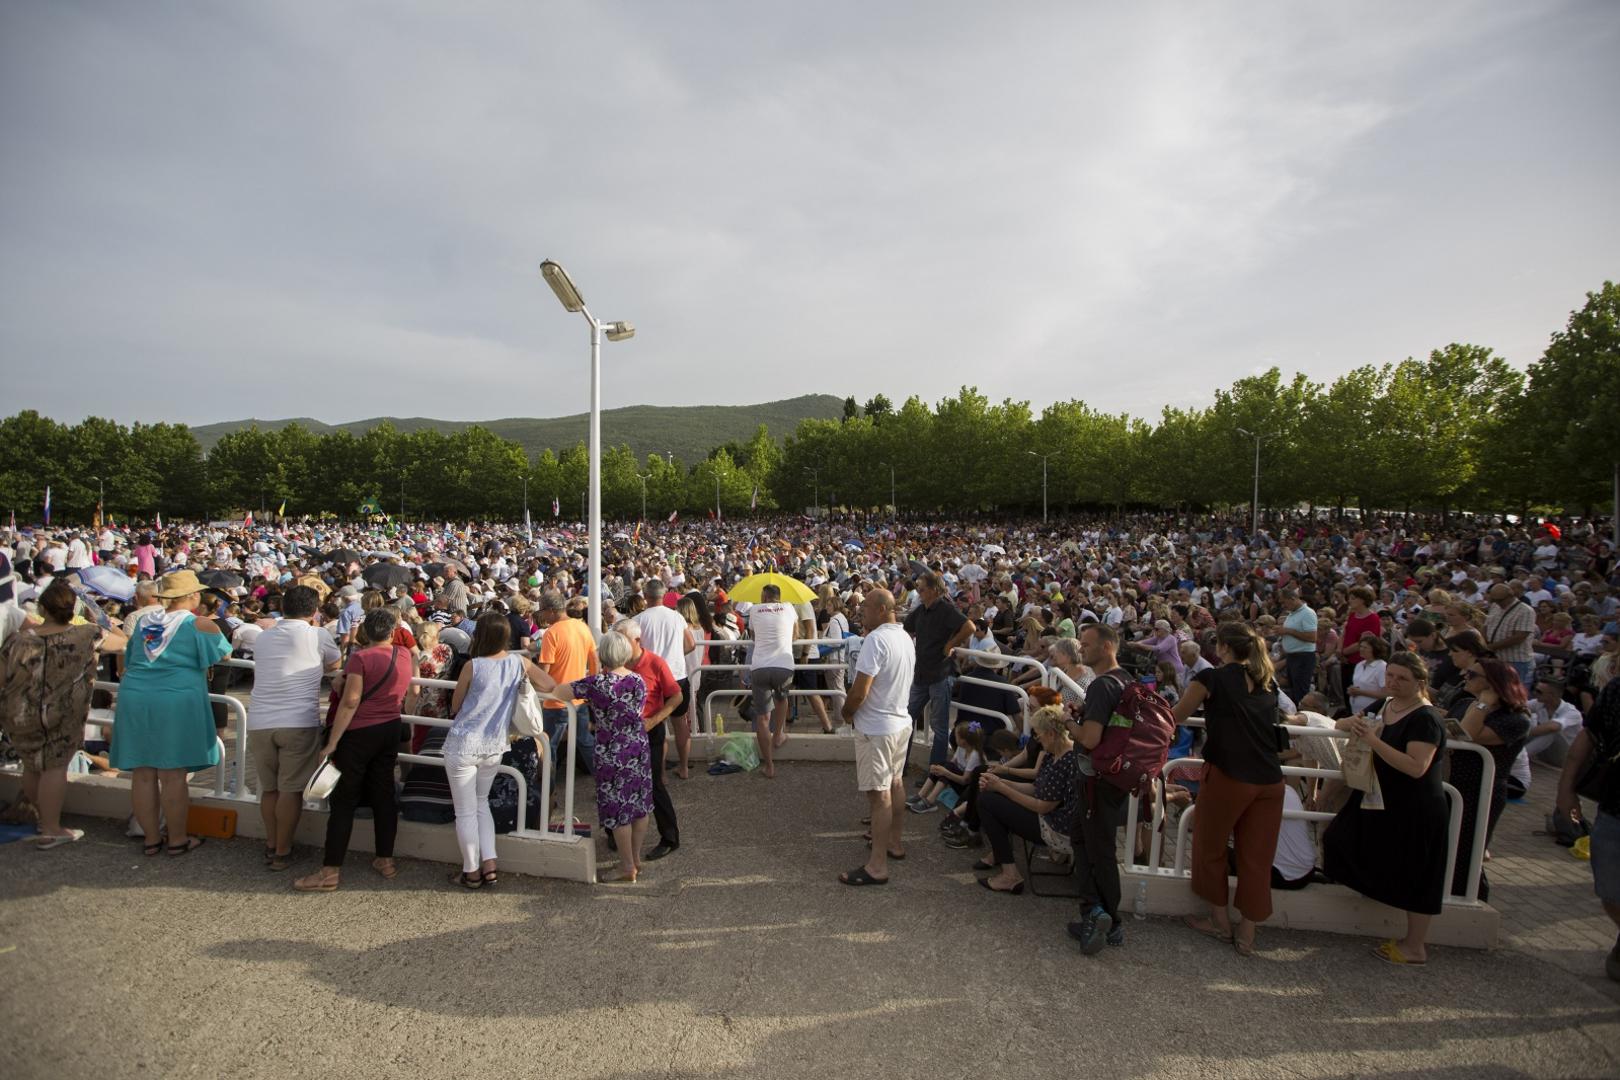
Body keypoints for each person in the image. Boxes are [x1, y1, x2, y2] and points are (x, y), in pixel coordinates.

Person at [1322, 652, 1449, 965]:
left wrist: (1372, 740)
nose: (1393, 682)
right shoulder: (1386, 705)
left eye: (1401, 678)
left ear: (1419, 683)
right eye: (1390, 676)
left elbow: (1416, 766)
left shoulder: (1425, 718)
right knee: (1339, 838)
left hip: (1415, 804)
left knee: (1419, 873)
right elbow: (1348, 722)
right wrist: (1351, 723)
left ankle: (1415, 945)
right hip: (1380, 797)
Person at [1172, 622, 1284, 956]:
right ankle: (1247, 934)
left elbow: (1177, 715)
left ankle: (1220, 923)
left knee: (1210, 846)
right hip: (1270, 779)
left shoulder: (1211, 679)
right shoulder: (1268, 680)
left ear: (1221, 648)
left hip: (1229, 775)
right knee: (1257, 857)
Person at [110, 569, 232, 857]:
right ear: (191, 596)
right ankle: (177, 839)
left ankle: (151, 839)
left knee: (142, 773)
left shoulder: (143, 622)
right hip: (175, 700)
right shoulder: (200, 624)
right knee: (172, 774)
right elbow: (223, 654)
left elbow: (130, 659)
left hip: (135, 698)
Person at [0, 579, 127, 847]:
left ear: (42, 609)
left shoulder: (17, 641)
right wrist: (96, 616)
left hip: (20, 713)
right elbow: (122, 641)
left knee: (32, 766)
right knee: (54, 768)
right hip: (62, 713)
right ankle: (50, 827)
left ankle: (40, 818)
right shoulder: (87, 634)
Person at [294, 608, 413, 892]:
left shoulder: (361, 658)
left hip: (360, 732)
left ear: (365, 633)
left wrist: (332, 742)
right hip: (391, 727)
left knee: (344, 801)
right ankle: (385, 860)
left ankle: (330, 870)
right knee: (384, 794)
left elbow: (351, 702)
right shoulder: (405, 654)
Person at [442, 612, 555, 888]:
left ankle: (471, 871)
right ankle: (490, 864)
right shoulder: (519, 663)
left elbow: (456, 705)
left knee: (465, 811)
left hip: (465, 742)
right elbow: (550, 684)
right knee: (481, 805)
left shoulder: (473, 665)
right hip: (494, 744)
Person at [245, 585, 340, 871]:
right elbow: (335, 662)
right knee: (290, 790)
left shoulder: (263, 636)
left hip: (260, 720)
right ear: (314, 611)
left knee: (269, 790)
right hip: (297, 721)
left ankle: (271, 843)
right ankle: (282, 851)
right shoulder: (318, 634)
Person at [552, 626, 652, 882]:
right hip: (638, 745)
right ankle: (636, 859)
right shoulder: (638, 680)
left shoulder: (597, 684)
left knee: (619, 811)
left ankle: (626, 865)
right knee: (639, 805)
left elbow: (559, 691)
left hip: (611, 750)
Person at [838, 588, 914, 886]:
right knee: (895, 784)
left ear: (883, 609)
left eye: (866, 606)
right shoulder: (904, 637)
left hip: (877, 727)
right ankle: (894, 843)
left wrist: (846, 712)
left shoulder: (876, 639)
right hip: (899, 723)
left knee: (879, 794)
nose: (861, 611)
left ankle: (877, 865)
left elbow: (860, 689)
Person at [1066, 622, 1131, 955]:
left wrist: (1065, 721)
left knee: (1098, 850)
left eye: (1088, 644)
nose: (1082, 649)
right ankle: (1096, 910)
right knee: (1084, 838)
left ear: (1107, 647)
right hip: (1111, 779)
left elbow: (1090, 738)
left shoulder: (1102, 686)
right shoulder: (1125, 680)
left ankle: (1107, 919)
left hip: (1096, 780)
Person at [971, 705, 1081, 895]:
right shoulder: (1055, 753)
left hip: (1057, 830)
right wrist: (1000, 782)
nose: (1037, 739)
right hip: (1051, 821)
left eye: (1039, 734)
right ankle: (1003, 861)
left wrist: (1003, 788)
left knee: (987, 801)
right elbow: (1036, 788)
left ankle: (1009, 874)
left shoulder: (1066, 760)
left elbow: (1042, 806)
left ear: (1051, 734)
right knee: (990, 796)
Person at [1446, 658, 1531, 900]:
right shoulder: (1465, 703)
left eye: (1472, 675)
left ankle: (1470, 897)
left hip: (1481, 791)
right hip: (1453, 784)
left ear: (1493, 684)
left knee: (1467, 851)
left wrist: (1483, 704)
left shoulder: (1516, 719)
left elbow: (1468, 734)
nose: (1465, 676)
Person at [1554, 677, 1620, 982]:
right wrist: (1566, 789)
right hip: (1616, 808)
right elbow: (1589, 736)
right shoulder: (1618, 688)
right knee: (1610, 888)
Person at [617, 619, 682, 860]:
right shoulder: (615, 663)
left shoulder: (655, 663)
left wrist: (655, 721)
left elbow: (676, 697)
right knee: (619, 784)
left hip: (649, 730)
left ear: (636, 641)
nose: (616, 643)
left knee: (654, 785)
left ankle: (669, 837)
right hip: (622, 733)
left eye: (620, 638)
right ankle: (618, 836)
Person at [904, 571, 976, 771]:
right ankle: (902, 765)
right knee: (907, 719)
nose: (918, 592)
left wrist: (951, 644)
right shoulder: (921, 610)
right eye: (918, 589)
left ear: (934, 590)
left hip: (940, 674)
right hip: (922, 674)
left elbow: (969, 626)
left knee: (940, 727)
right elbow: (906, 629)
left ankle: (935, 773)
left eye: (922, 589)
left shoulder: (946, 609)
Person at [634, 578, 693, 777]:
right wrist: (676, 655)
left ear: (645, 596)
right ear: (663, 594)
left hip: (651, 678)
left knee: (657, 726)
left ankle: (661, 776)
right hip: (677, 675)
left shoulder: (639, 620)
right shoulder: (677, 617)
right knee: (680, 723)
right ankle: (684, 768)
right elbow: (691, 644)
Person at [536, 588, 598, 774]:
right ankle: (606, 779)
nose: (542, 616)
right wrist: (591, 689)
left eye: (542, 611)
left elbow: (544, 672)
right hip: (578, 697)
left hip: (556, 700)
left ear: (551, 611)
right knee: (585, 740)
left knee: (550, 746)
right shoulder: (582, 627)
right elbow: (594, 661)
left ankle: (549, 791)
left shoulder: (551, 633)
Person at [745, 584, 800, 779]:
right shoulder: (789, 607)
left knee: (762, 718)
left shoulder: (754, 609)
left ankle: (769, 766)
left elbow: (753, 637)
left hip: (759, 666)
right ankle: (779, 734)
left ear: (765, 596)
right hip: (784, 665)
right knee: (782, 699)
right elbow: (796, 635)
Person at [1483, 582, 1537, 689]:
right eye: (1495, 600)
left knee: (1512, 691)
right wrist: (1484, 642)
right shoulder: (1495, 606)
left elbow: (1519, 637)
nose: (1497, 603)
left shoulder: (1525, 611)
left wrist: (1490, 647)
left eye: (1500, 600)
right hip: (1496, 657)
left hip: (1515, 660)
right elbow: (1486, 625)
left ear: (1510, 596)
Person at [1524, 677, 1582, 766]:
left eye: (1539, 691)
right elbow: (1518, 707)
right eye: (1534, 689)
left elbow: (1553, 727)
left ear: (1552, 695)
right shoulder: (1539, 703)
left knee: (1551, 732)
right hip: (1546, 753)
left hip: (1565, 757)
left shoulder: (1572, 712)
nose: (1534, 693)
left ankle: (1518, 757)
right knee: (1525, 719)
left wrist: (1522, 733)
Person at [1275, 587, 1318, 703]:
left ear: (1293, 599)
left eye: (1284, 602)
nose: (1283, 605)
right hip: (1292, 657)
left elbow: (1312, 637)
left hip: (1303, 657)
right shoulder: (1292, 614)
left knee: (1301, 691)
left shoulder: (1307, 613)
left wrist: (1288, 631)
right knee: (1293, 690)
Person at [1348, 633, 1391, 714]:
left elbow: (1386, 694)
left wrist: (1360, 692)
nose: (1361, 649)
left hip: (1373, 712)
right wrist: (1352, 690)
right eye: (1361, 646)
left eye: (1365, 647)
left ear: (1374, 649)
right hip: (1356, 711)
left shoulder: (1382, 667)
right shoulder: (1359, 665)